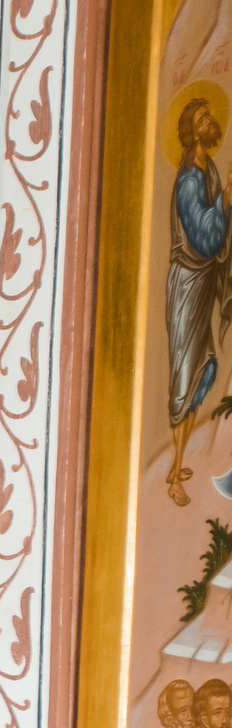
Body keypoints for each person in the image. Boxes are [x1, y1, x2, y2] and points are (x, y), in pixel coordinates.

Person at [168, 94, 230, 507]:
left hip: (202, 282)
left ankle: (176, 464)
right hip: (187, 286)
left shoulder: (208, 170)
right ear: (194, 131)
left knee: (204, 369)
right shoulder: (190, 179)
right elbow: (207, 239)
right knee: (184, 377)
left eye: (211, 116)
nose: (212, 123)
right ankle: (173, 475)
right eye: (205, 118)